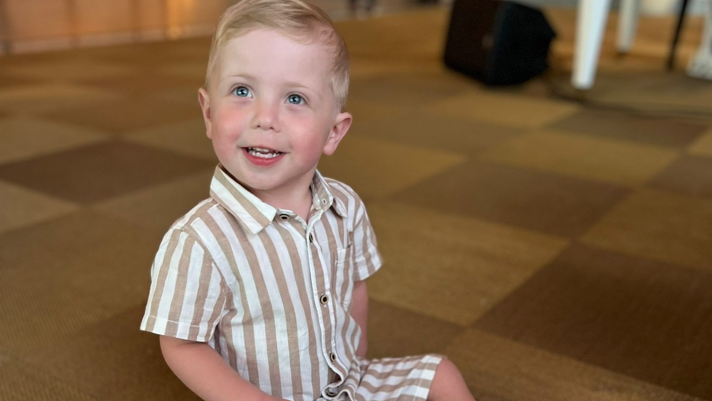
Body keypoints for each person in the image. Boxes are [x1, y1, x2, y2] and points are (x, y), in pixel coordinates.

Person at [140, 1, 476, 400]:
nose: (265, 117)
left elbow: (355, 285)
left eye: (295, 99)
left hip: (346, 382)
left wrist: (356, 358)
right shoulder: (200, 240)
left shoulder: (345, 207)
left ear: (334, 132)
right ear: (209, 113)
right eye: (242, 91)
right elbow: (181, 344)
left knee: (442, 375)